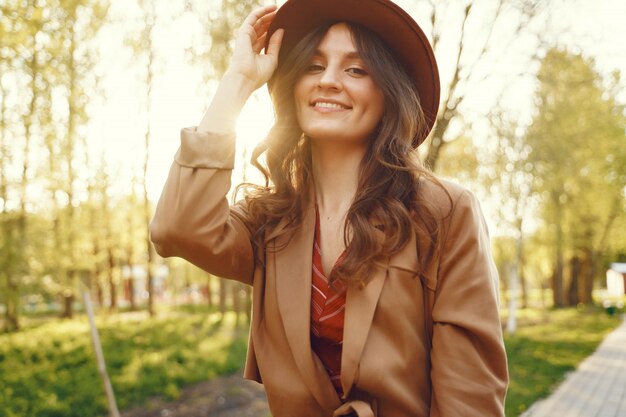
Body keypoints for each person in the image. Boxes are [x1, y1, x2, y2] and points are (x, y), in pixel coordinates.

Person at [150, 0, 508, 415]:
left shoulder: (444, 212)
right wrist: (238, 80)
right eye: (313, 66)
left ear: (388, 92)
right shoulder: (269, 219)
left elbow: (469, 399)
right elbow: (177, 229)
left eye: (356, 70)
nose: (329, 81)